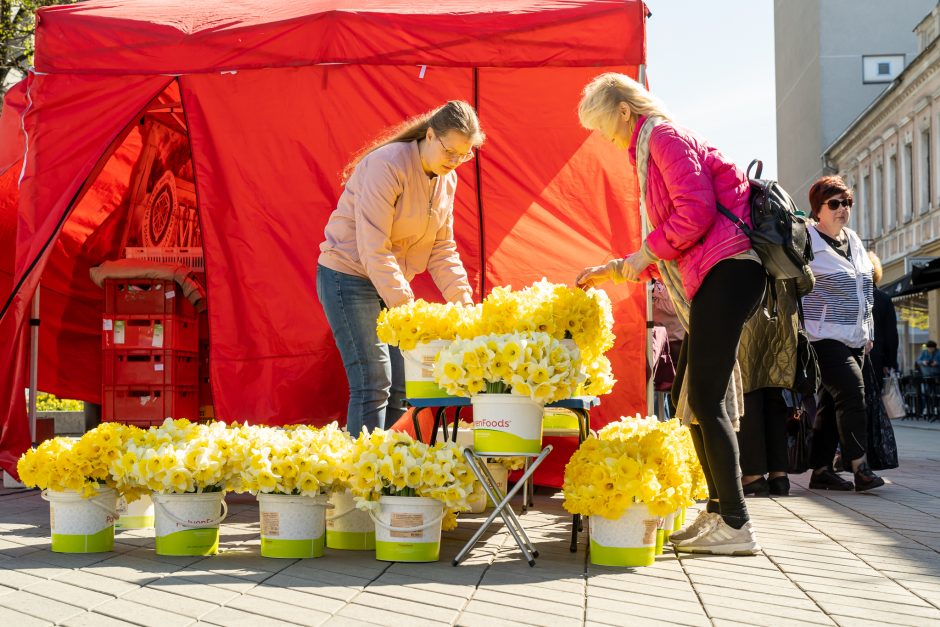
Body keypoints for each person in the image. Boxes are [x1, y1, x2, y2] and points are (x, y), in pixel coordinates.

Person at [575, 73, 765, 555]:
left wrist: (638, 258)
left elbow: (694, 213)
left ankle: (738, 523)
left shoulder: (661, 135)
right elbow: (672, 239)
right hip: (716, 274)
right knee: (689, 394)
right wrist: (618, 268)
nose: (607, 139)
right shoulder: (652, 143)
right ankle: (722, 511)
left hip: (731, 270)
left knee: (704, 397)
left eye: (603, 127)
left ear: (623, 110)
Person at [317, 101, 483, 436]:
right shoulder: (387, 165)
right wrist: (406, 311)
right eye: (449, 151)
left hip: (387, 281)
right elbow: (373, 248)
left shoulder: (446, 180)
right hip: (348, 275)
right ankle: (365, 477)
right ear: (431, 135)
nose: (454, 161)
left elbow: (441, 248)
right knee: (373, 380)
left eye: (464, 155)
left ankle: (393, 474)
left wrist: (464, 304)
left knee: (403, 385)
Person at [801, 175, 884, 492]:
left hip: (856, 337)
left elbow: (867, 288)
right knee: (852, 392)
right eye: (834, 204)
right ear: (817, 210)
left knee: (829, 403)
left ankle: (821, 470)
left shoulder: (854, 240)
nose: (842, 209)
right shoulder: (807, 241)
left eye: (846, 203)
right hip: (821, 336)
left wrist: (869, 329)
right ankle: (859, 466)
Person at [736, 272, 814, 498]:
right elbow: (806, 281)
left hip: (749, 315)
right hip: (783, 318)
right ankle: (779, 475)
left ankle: (753, 475)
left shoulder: (745, 236)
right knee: (775, 397)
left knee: (749, 394)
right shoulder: (789, 237)